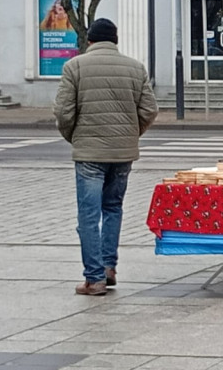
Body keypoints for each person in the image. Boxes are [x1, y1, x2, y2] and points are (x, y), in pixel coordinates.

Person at [53, 18, 158, 295]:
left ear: (90, 40)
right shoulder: (135, 68)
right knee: (113, 208)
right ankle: (109, 267)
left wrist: (74, 136)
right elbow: (150, 110)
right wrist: (130, 134)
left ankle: (94, 278)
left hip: (89, 152)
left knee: (89, 215)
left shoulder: (74, 67)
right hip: (122, 153)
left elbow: (63, 112)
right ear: (115, 41)